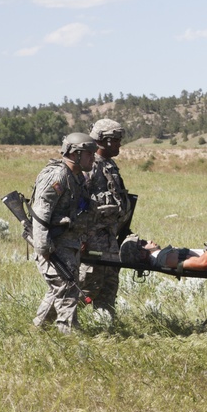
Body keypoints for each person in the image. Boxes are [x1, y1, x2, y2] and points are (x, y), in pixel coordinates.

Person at [30, 132, 97, 334]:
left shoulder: (76, 178)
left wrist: (82, 238)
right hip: (53, 245)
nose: (93, 158)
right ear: (75, 154)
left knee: (60, 289)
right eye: (89, 154)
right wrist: (43, 247)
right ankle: (69, 335)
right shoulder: (57, 176)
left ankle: (38, 330)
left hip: (68, 244)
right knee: (67, 290)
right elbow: (41, 212)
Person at [79, 118, 132, 318]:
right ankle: (57, 322)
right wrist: (82, 237)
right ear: (105, 140)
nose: (119, 144)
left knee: (108, 286)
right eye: (116, 140)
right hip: (92, 240)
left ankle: (106, 327)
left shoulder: (109, 165)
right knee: (87, 286)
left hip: (109, 239)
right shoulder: (88, 166)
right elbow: (79, 204)